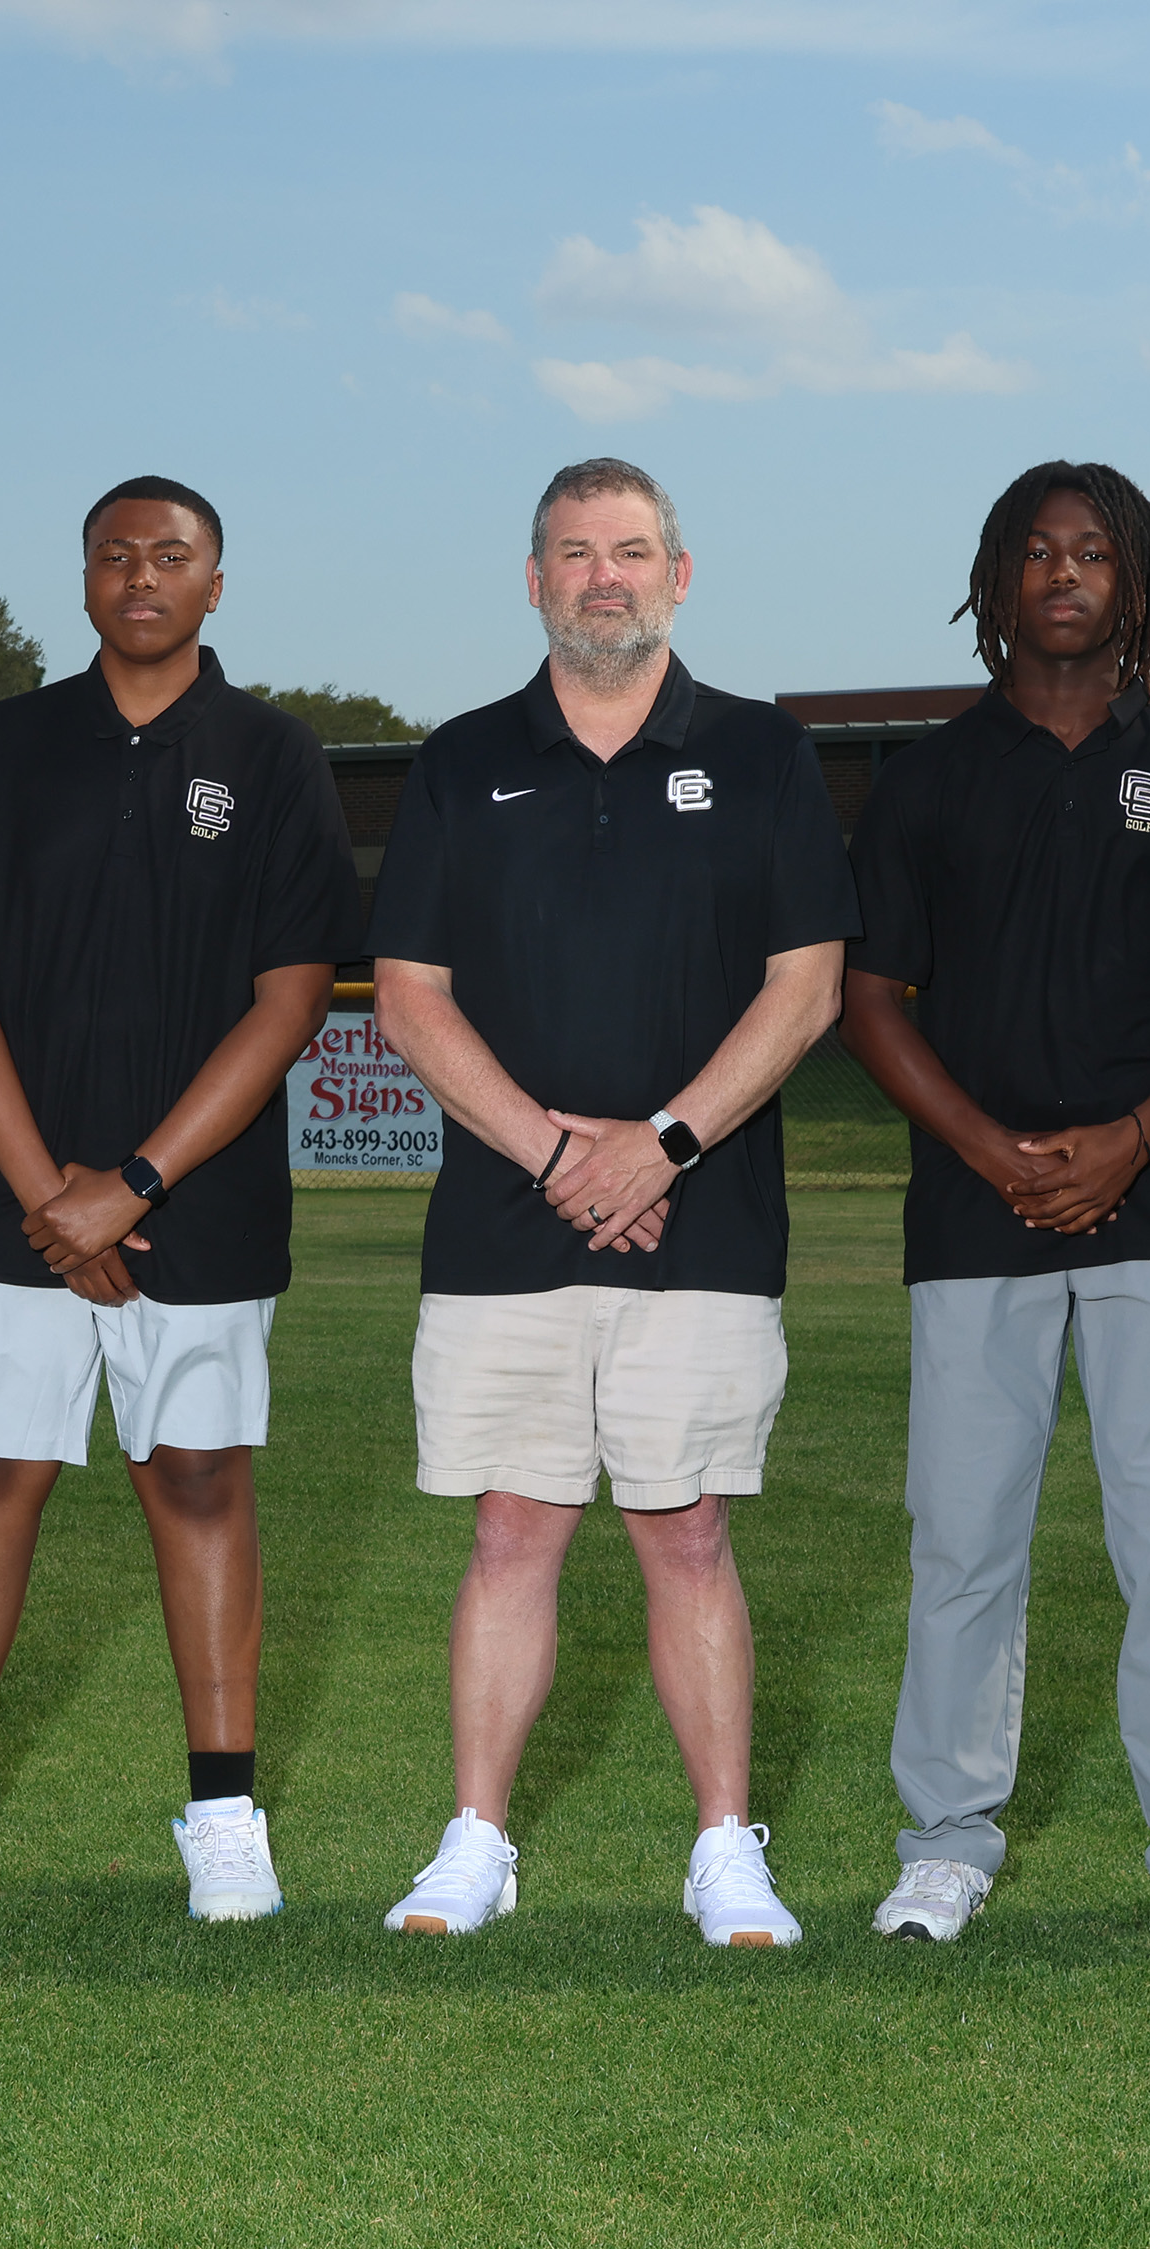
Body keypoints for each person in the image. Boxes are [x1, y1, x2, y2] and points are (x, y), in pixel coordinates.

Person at [0, 476, 360, 1924]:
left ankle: (226, 1816)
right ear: (82, 581)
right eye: (115, 555)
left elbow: (292, 995)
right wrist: (48, 1198)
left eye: (172, 555)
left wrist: (130, 1186)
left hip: (199, 1198)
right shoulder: (13, 746)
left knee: (197, 1478)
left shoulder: (271, 755)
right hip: (9, 1205)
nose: (143, 575)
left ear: (215, 585)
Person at [365, 457, 858, 1946]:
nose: (603, 576)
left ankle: (724, 1847)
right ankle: (474, 1842)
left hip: (702, 1225)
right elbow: (408, 998)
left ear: (679, 575)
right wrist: (561, 1156)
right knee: (514, 1529)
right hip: (507, 1228)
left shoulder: (766, 756)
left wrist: (663, 1146)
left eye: (630, 551)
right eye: (573, 553)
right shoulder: (458, 761)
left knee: (688, 1530)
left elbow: (808, 986)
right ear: (534, 582)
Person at [840, 461, 1150, 1952]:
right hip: (978, 1208)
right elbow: (869, 995)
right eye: (1035, 552)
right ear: (994, 580)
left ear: (1136, 579)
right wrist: (986, 1147)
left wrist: (1137, 1135)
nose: (1063, 573)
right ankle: (946, 1840)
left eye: (1093, 551)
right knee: (964, 1534)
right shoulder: (926, 774)